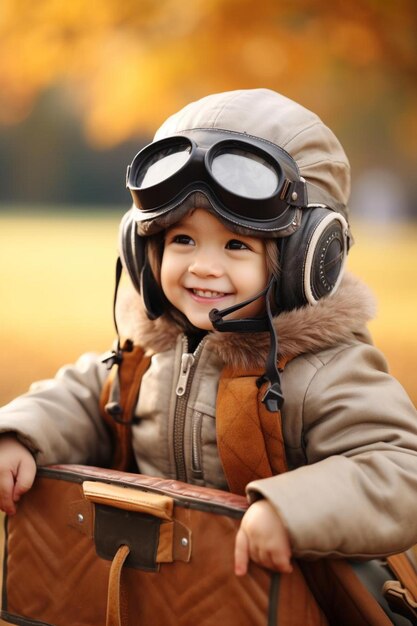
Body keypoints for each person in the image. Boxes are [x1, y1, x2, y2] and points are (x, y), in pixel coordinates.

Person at [0, 88, 416, 579]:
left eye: (236, 243)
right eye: (182, 239)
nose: (203, 266)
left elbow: (399, 472)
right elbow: (87, 396)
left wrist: (291, 511)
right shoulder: (150, 352)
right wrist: (20, 435)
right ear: (142, 245)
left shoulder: (325, 369)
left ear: (307, 257)